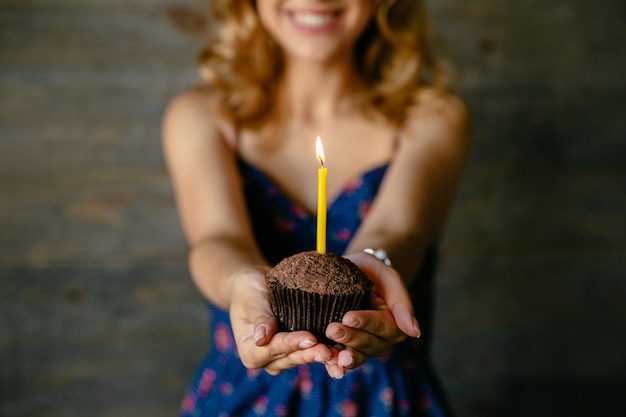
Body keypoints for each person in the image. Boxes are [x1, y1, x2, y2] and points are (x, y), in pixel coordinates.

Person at [162, 0, 469, 416]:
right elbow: (218, 237)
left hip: (384, 400)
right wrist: (241, 282)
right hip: (242, 399)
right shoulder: (201, 117)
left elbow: (402, 227)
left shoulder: (432, 118)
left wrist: (374, 264)